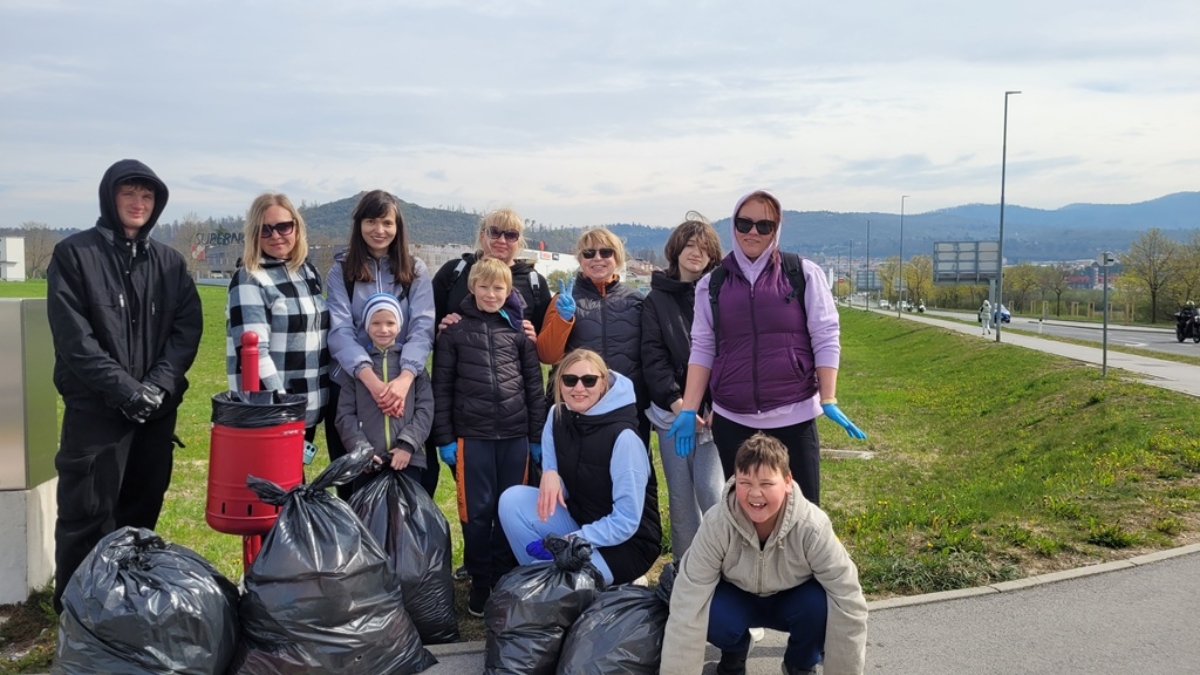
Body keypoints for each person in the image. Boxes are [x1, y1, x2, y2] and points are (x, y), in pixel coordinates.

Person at [47, 159, 203, 612]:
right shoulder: (74, 255)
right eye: (129, 194)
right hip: (96, 414)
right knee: (88, 515)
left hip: (154, 414)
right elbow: (75, 340)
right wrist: (124, 391)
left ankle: (127, 612)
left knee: (142, 512)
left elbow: (186, 330)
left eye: (147, 196)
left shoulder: (171, 265)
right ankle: (79, 618)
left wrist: (156, 387)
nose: (138, 204)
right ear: (109, 197)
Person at [669, 190, 864, 507]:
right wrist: (689, 407)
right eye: (744, 223)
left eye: (764, 225)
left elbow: (826, 334)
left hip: (794, 414)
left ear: (777, 229)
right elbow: (703, 348)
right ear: (733, 226)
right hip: (734, 418)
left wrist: (828, 397)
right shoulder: (712, 285)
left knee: (802, 511)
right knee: (745, 512)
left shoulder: (802, 274)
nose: (752, 233)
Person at [660, 432, 868, 675]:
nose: (755, 494)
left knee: (824, 607)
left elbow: (848, 598)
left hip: (794, 600)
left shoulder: (812, 526)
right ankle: (735, 653)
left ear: (788, 481)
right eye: (745, 483)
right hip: (737, 598)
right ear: (734, 480)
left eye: (767, 484)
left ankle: (800, 663)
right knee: (705, 609)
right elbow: (688, 598)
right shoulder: (716, 524)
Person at [432, 258, 547, 617]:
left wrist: (536, 437)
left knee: (510, 510)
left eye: (499, 288)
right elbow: (442, 388)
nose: (491, 294)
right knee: (477, 513)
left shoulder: (519, 335)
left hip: (515, 436)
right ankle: (481, 583)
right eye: (484, 286)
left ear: (508, 291)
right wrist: (445, 438)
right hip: (472, 439)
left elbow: (534, 387)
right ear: (472, 288)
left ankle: (507, 576)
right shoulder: (453, 333)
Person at [498, 348, 662, 588]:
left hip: (627, 545)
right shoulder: (557, 415)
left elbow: (626, 521)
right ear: (560, 383)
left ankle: (612, 583)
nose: (579, 388)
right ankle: (542, 578)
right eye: (570, 380)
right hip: (580, 519)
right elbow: (555, 473)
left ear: (603, 384)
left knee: (555, 586)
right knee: (512, 500)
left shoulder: (624, 438)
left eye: (589, 380)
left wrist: (570, 542)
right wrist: (551, 474)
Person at [430, 208, 548, 503]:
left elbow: (547, 346)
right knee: (476, 504)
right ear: (482, 235)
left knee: (512, 502)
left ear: (519, 241)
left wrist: (537, 338)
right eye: (494, 232)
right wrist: (439, 328)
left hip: (513, 421)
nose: (501, 240)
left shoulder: (533, 281)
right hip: (469, 416)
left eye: (511, 234)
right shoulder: (454, 272)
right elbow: (425, 320)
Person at [325, 189, 435, 500]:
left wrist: (405, 378)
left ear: (398, 227)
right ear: (359, 225)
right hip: (353, 383)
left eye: (387, 223)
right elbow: (340, 330)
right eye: (371, 221)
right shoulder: (341, 271)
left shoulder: (415, 270)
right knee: (354, 484)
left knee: (413, 480)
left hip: (406, 386)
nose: (379, 230)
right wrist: (369, 379)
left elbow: (422, 327)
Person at [640, 213, 725, 559]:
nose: (695, 252)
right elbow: (653, 356)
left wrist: (716, 404)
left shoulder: (721, 295)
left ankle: (727, 561)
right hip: (672, 413)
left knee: (711, 489)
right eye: (689, 245)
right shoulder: (655, 301)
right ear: (675, 250)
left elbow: (728, 352)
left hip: (715, 413)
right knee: (681, 496)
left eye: (703, 248)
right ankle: (687, 569)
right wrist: (679, 404)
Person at [226, 193, 329, 441]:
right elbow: (253, 354)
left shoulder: (307, 272)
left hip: (308, 407)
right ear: (253, 234)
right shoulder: (250, 278)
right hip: (273, 411)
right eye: (265, 230)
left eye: (283, 226)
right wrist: (282, 409)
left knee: (295, 480)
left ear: (296, 226)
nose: (276, 236)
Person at [537, 227, 650, 444]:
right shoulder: (563, 300)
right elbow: (547, 355)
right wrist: (562, 320)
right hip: (576, 407)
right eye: (589, 253)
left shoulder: (637, 301)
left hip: (626, 408)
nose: (597, 258)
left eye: (605, 252)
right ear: (580, 259)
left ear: (617, 257)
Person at [334, 293, 433, 490]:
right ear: (366, 327)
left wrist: (407, 445)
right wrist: (362, 450)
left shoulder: (414, 368)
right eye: (376, 323)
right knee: (368, 519)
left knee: (406, 519)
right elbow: (345, 415)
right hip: (368, 463)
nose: (383, 329)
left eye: (390, 323)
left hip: (408, 459)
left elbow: (425, 410)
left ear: (399, 326)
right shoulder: (357, 371)